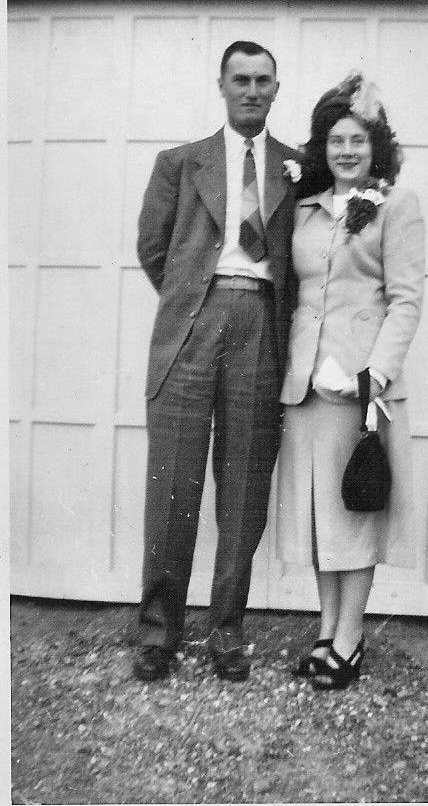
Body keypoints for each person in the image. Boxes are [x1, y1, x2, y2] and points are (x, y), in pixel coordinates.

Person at [134, 41, 299, 682]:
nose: (251, 90)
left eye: (262, 80)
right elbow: (153, 248)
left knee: (244, 487)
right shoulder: (180, 163)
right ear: (222, 86)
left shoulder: (297, 167)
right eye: (241, 79)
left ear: (275, 88)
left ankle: (227, 630)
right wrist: (191, 298)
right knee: (173, 485)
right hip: (193, 325)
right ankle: (158, 633)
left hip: (260, 321)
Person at [276, 72, 425, 690]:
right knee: (319, 513)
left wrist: (373, 373)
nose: (346, 150)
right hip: (305, 383)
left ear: (376, 146)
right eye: (336, 139)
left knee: (353, 512)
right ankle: (326, 630)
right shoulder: (305, 207)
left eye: (357, 139)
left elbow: (406, 300)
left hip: (359, 388)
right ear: (323, 146)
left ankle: (350, 638)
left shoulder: (396, 206)